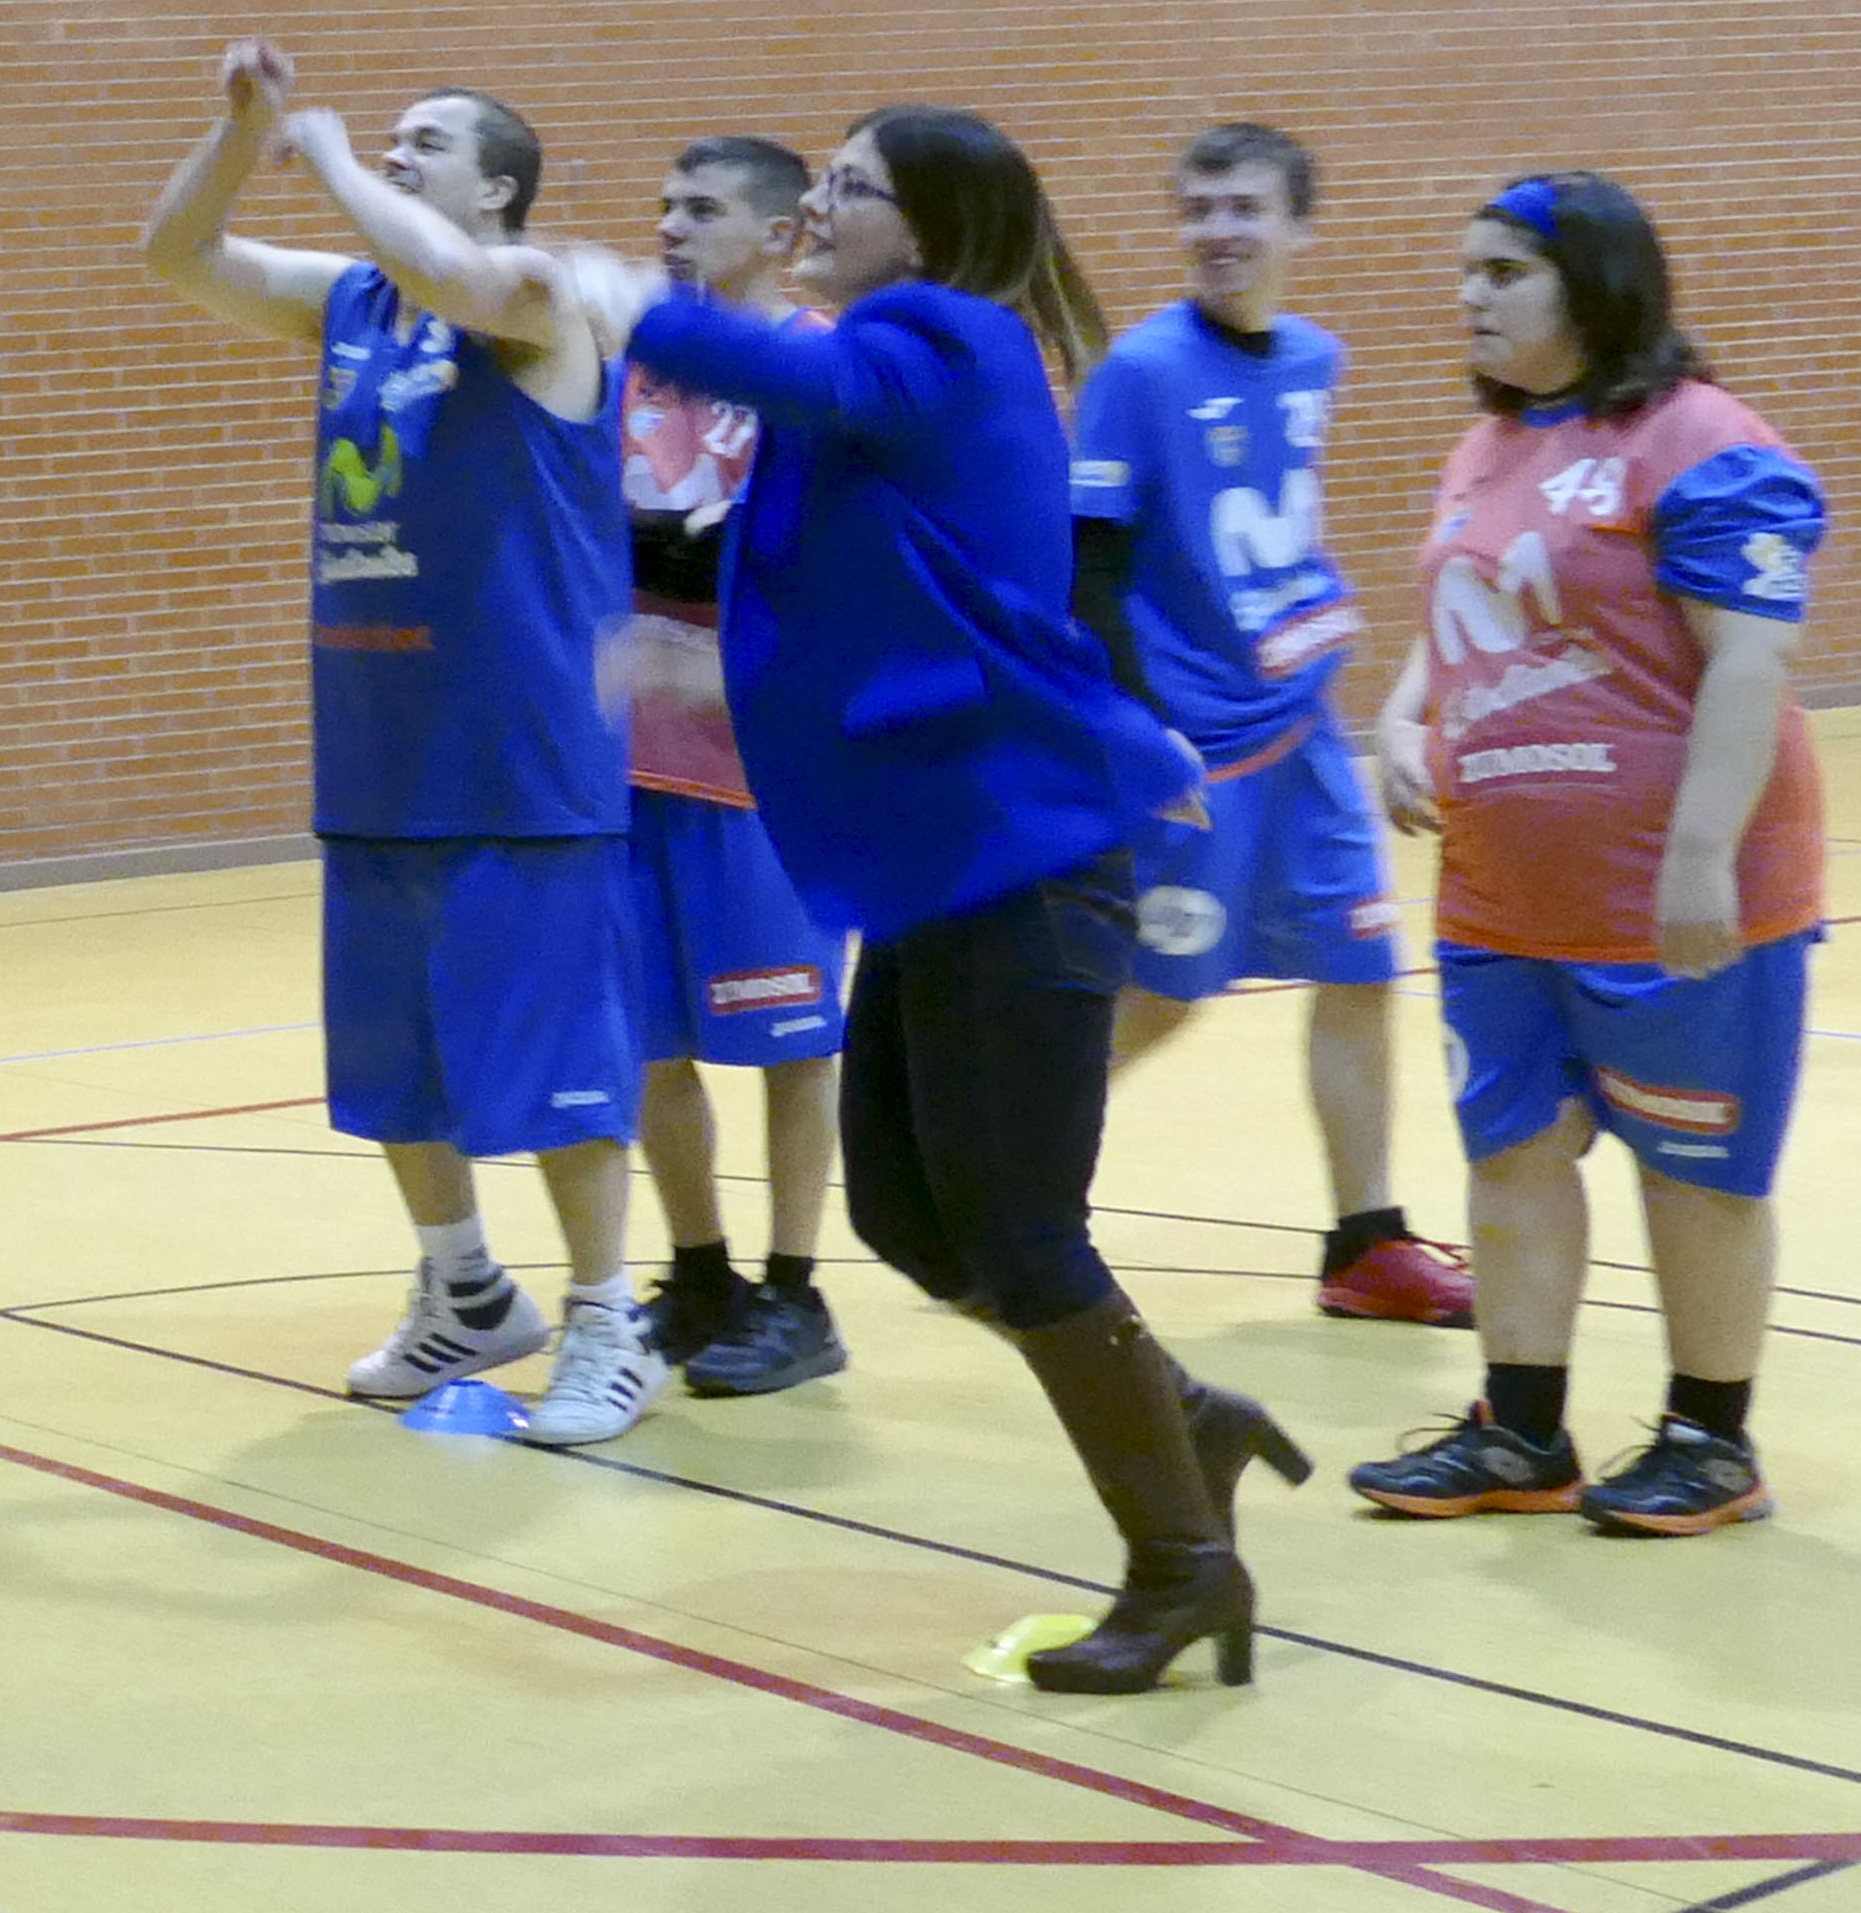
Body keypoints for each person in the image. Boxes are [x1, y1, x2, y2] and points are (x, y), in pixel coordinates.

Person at [585, 112, 1304, 1693]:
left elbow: (777, 369)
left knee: (1029, 1235)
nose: (820, 210)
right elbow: (881, 617)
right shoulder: (891, 384)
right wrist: (701, 666)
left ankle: (1184, 1568)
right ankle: (1185, 1420)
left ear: (932, 225)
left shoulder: (951, 337)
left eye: (852, 189)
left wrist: (610, 293)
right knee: (908, 1218)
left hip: (1028, 862)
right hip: (938, 870)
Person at [141, 41, 657, 1447]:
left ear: (497, 187)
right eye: (394, 138)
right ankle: (467, 1291)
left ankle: (609, 1319)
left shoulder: (540, 300)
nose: (396, 149)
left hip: (521, 751)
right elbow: (176, 253)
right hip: (379, 738)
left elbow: (461, 281)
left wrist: (326, 156)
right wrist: (240, 134)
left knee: (554, 1068)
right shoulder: (355, 301)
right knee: (397, 1063)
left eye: (430, 142)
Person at [1349, 174, 1820, 1537]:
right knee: (1512, 1152)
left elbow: (1750, 663)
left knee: (1696, 1168)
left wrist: (1702, 855)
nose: (1470, 296)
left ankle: (1710, 1442)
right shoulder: (1485, 448)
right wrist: (1399, 720)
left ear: (1598, 286)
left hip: (1670, 899)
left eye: (1505, 272)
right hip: (1500, 897)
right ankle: (1521, 1430)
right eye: (1468, 270)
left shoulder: (1703, 441)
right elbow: (1460, 619)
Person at [1074, 125, 1469, 1327]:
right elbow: (1087, 567)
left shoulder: (1313, 357)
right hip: (1196, 749)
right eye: (1198, 209)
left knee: (1359, 966)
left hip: (1304, 729)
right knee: (1161, 995)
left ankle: (1365, 1242)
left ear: (1300, 226)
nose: (1218, 231)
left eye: (1243, 207)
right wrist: (1141, 730)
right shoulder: (1141, 371)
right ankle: (1006, 1202)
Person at [615, 137, 854, 1398]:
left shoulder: (821, 366)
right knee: (652, 1043)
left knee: (795, 1041)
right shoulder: (636, 364)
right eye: (664, 204)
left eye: (700, 208)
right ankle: (699, 1272)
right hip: (634, 759)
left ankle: (797, 1290)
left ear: (780, 233)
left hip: (771, 770)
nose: (670, 225)